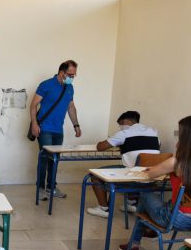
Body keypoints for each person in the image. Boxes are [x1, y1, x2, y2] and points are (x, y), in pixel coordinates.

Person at [119, 115, 191, 250]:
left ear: (187, 137)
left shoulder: (179, 161)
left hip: (176, 219)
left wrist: (176, 154)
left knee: (145, 194)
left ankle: (134, 244)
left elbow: (151, 174)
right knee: (166, 202)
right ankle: (149, 232)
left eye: (180, 133)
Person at [87, 111, 160, 218]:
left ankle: (103, 208)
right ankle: (132, 203)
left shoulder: (124, 133)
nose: (120, 127)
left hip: (133, 178)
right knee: (132, 166)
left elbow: (100, 147)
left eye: (120, 124)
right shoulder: (153, 132)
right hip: (153, 178)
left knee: (95, 175)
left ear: (125, 121)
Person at [29, 60, 82, 200]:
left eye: (74, 75)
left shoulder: (69, 88)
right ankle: (40, 188)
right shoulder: (46, 85)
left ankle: (51, 187)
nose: (72, 77)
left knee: (55, 159)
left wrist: (76, 125)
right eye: (70, 74)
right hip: (44, 128)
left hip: (58, 130)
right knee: (44, 158)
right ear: (62, 72)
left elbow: (71, 107)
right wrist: (34, 124)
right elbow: (33, 105)